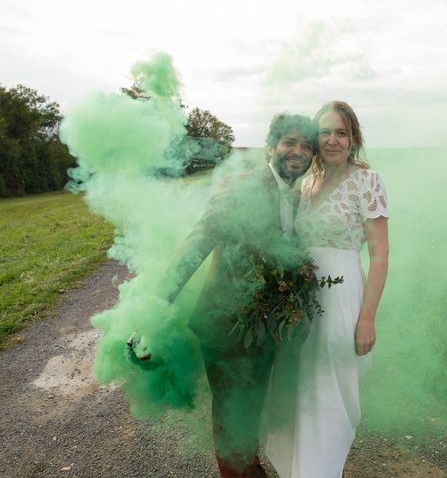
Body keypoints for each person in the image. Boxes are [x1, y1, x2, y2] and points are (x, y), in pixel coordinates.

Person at [132, 112, 316, 478]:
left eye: (307, 146)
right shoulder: (238, 187)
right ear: (271, 147)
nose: (299, 151)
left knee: (251, 409)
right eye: (290, 142)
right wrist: (155, 308)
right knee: (233, 416)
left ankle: (247, 465)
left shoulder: (298, 199)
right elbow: (196, 243)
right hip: (225, 326)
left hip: (265, 331)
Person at [266, 101, 389, 478]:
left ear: (353, 140)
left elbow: (380, 253)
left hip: (341, 299)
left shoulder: (367, 181)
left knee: (331, 395)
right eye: (325, 132)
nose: (332, 140)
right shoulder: (307, 184)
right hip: (302, 301)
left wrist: (366, 317)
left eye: (341, 132)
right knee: (300, 388)